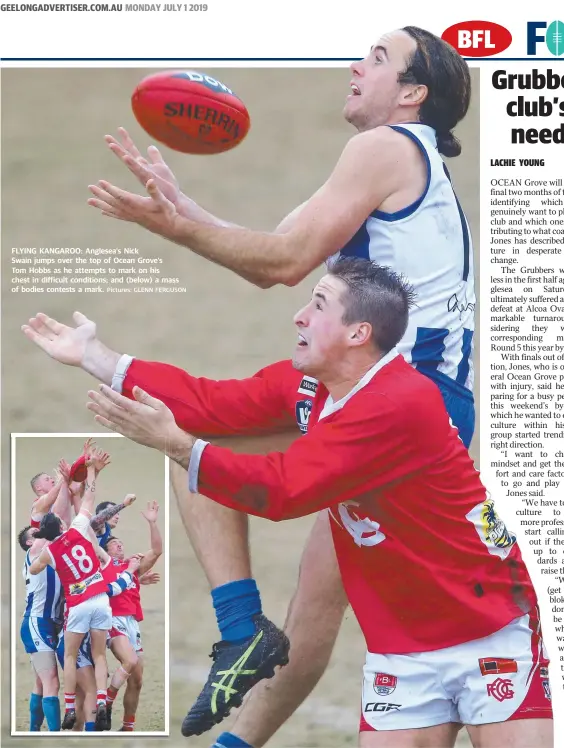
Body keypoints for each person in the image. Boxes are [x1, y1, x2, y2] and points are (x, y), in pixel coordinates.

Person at [83, 24, 478, 741]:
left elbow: (281, 266)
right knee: (314, 614)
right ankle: (243, 669)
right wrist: (180, 210)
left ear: (412, 94)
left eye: (378, 58)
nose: (356, 65)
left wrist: (173, 230)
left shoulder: (383, 148)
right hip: (399, 400)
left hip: (398, 407)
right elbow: (269, 250)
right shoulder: (389, 161)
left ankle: (239, 628)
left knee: (194, 439)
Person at [21, 259, 553, 748]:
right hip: (401, 647)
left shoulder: (398, 403)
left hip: (488, 629)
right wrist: (93, 355)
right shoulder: (310, 387)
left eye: (318, 305)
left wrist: (177, 446)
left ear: (357, 333)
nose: (299, 316)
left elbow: (284, 490)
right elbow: (209, 401)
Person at [29, 446, 113, 731]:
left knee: (68, 656)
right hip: (100, 599)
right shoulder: (77, 528)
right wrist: (92, 469)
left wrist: (42, 556)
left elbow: (34, 568)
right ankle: (102, 700)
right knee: (100, 655)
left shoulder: (50, 552)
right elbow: (89, 497)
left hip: (77, 604)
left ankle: (68, 708)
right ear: (62, 525)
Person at [55, 552, 141, 732]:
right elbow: (115, 587)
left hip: (81, 646)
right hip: (75, 648)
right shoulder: (90, 585)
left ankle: (77, 730)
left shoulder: (74, 583)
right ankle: (91, 725)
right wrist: (131, 570)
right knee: (91, 692)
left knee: (82, 699)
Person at [103, 500, 163, 732]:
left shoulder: (132, 565)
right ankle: (106, 701)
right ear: (105, 551)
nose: (119, 546)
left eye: (121, 543)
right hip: (113, 621)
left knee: (137, 680)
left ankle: (127, 726)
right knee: (131, 661)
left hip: (132, 623)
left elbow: (157, 550)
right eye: (114, 544)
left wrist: (152, 523)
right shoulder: (104, 566)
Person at [18, 525, 63, 731]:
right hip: (37, 623)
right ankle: (56, 735)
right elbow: (48, 531)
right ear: (29, 543)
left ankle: (33, 730)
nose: (42, 535)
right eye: (35, 535)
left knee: (40, 682)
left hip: (49, 624)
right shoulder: (33, 554)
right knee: (51, 682)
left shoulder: (50, 557)